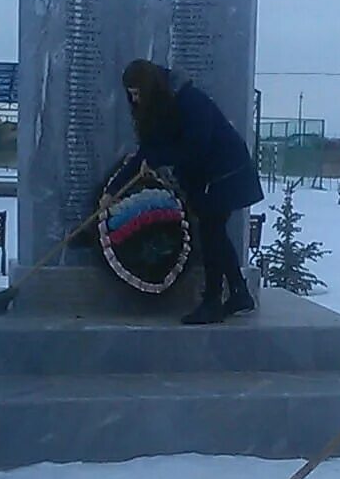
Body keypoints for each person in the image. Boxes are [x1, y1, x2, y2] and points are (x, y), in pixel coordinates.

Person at [107, 60, 263, 325]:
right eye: (130, 94)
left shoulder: (190, 100)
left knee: (211, 232)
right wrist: (112, 190)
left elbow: (196, 148)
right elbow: (146, 152)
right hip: (208, 177)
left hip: (227, 173)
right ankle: (239, 293)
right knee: (215, 232)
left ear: (151, 87)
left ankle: (213, 301)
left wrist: (158, 158)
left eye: (137, 93)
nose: (134, 99)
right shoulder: (159, 107)